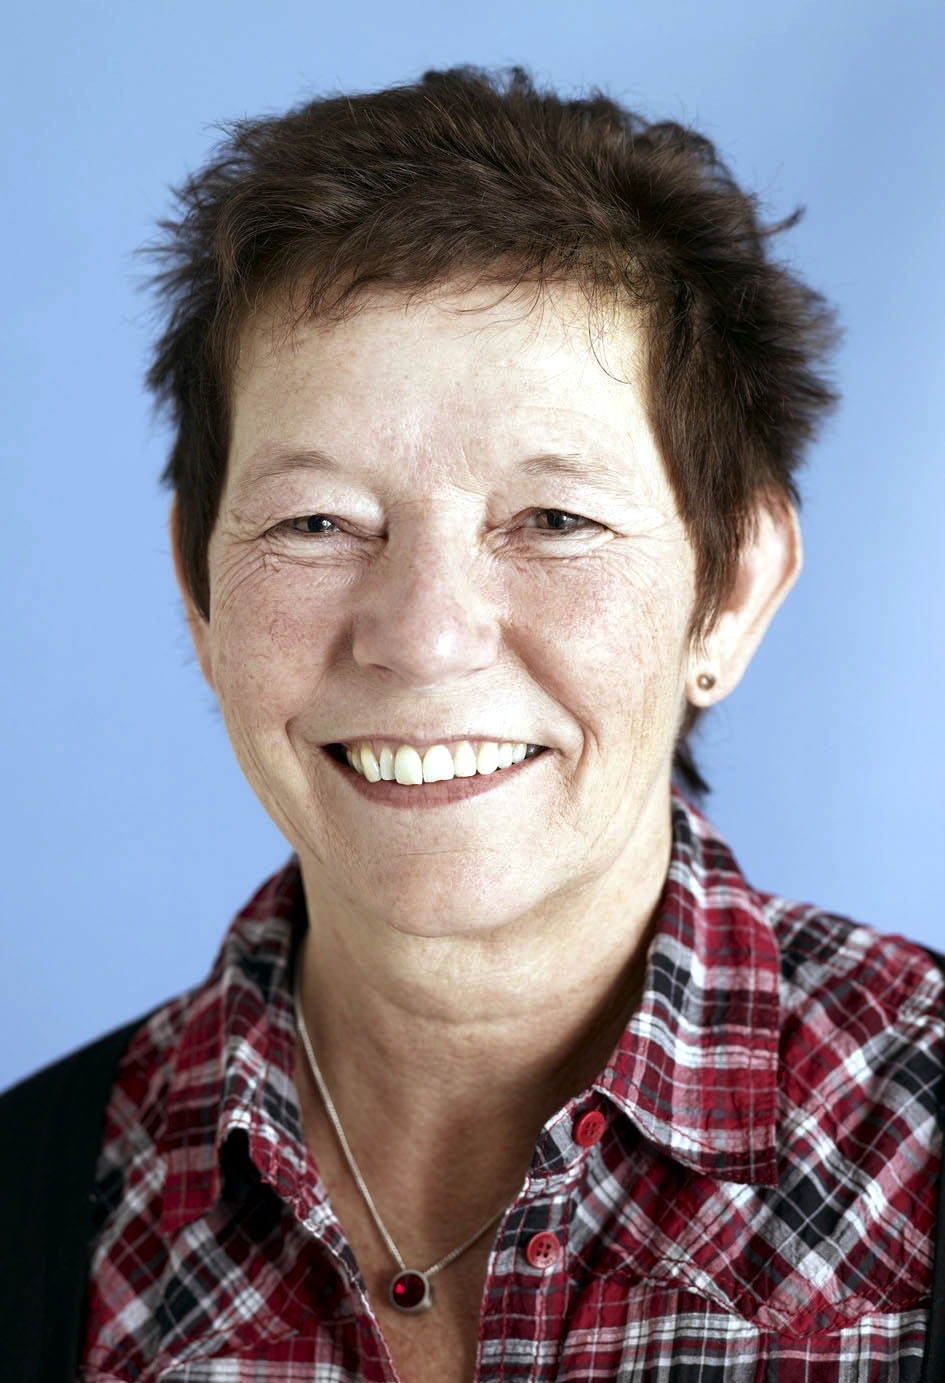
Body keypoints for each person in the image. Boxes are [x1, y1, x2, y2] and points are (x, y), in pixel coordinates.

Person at [1, 62, 942, 1383]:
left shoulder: (916, 1141)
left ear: (730, 589)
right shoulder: (34, 1201)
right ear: (199, 587)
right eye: (315, 522)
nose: (425, 634)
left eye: (552, 519)